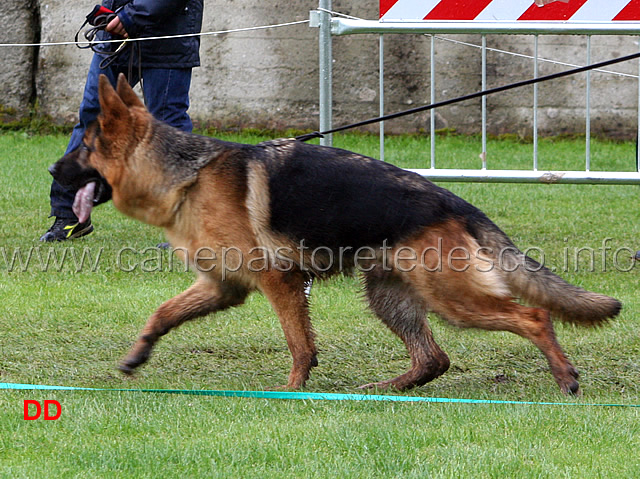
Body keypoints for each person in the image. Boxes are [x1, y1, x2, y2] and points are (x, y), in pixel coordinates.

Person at [41, 0, 204, 241]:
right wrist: (110, 13)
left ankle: (187, 225)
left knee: (169, 128)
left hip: (167, 38)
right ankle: (69, 215)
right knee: (93, 118)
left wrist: (131, 16)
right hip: (116, 35)